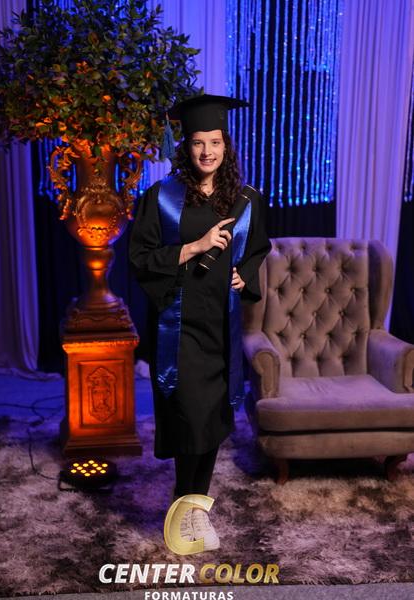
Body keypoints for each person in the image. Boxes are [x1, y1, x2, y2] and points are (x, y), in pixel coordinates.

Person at [129, 94, 271, 551]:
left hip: (221, 328)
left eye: (214, 142)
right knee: (190, 418)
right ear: (185, 147)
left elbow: (259, 249)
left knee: (211, 422)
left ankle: (193, 510)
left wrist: (243, 275)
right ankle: (183, 503)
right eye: (197, 143)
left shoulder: (246, 200)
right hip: (179, 327)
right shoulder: (163, 198)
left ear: (226, 145)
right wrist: (195, 246)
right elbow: (139, 258)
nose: (206, 151)